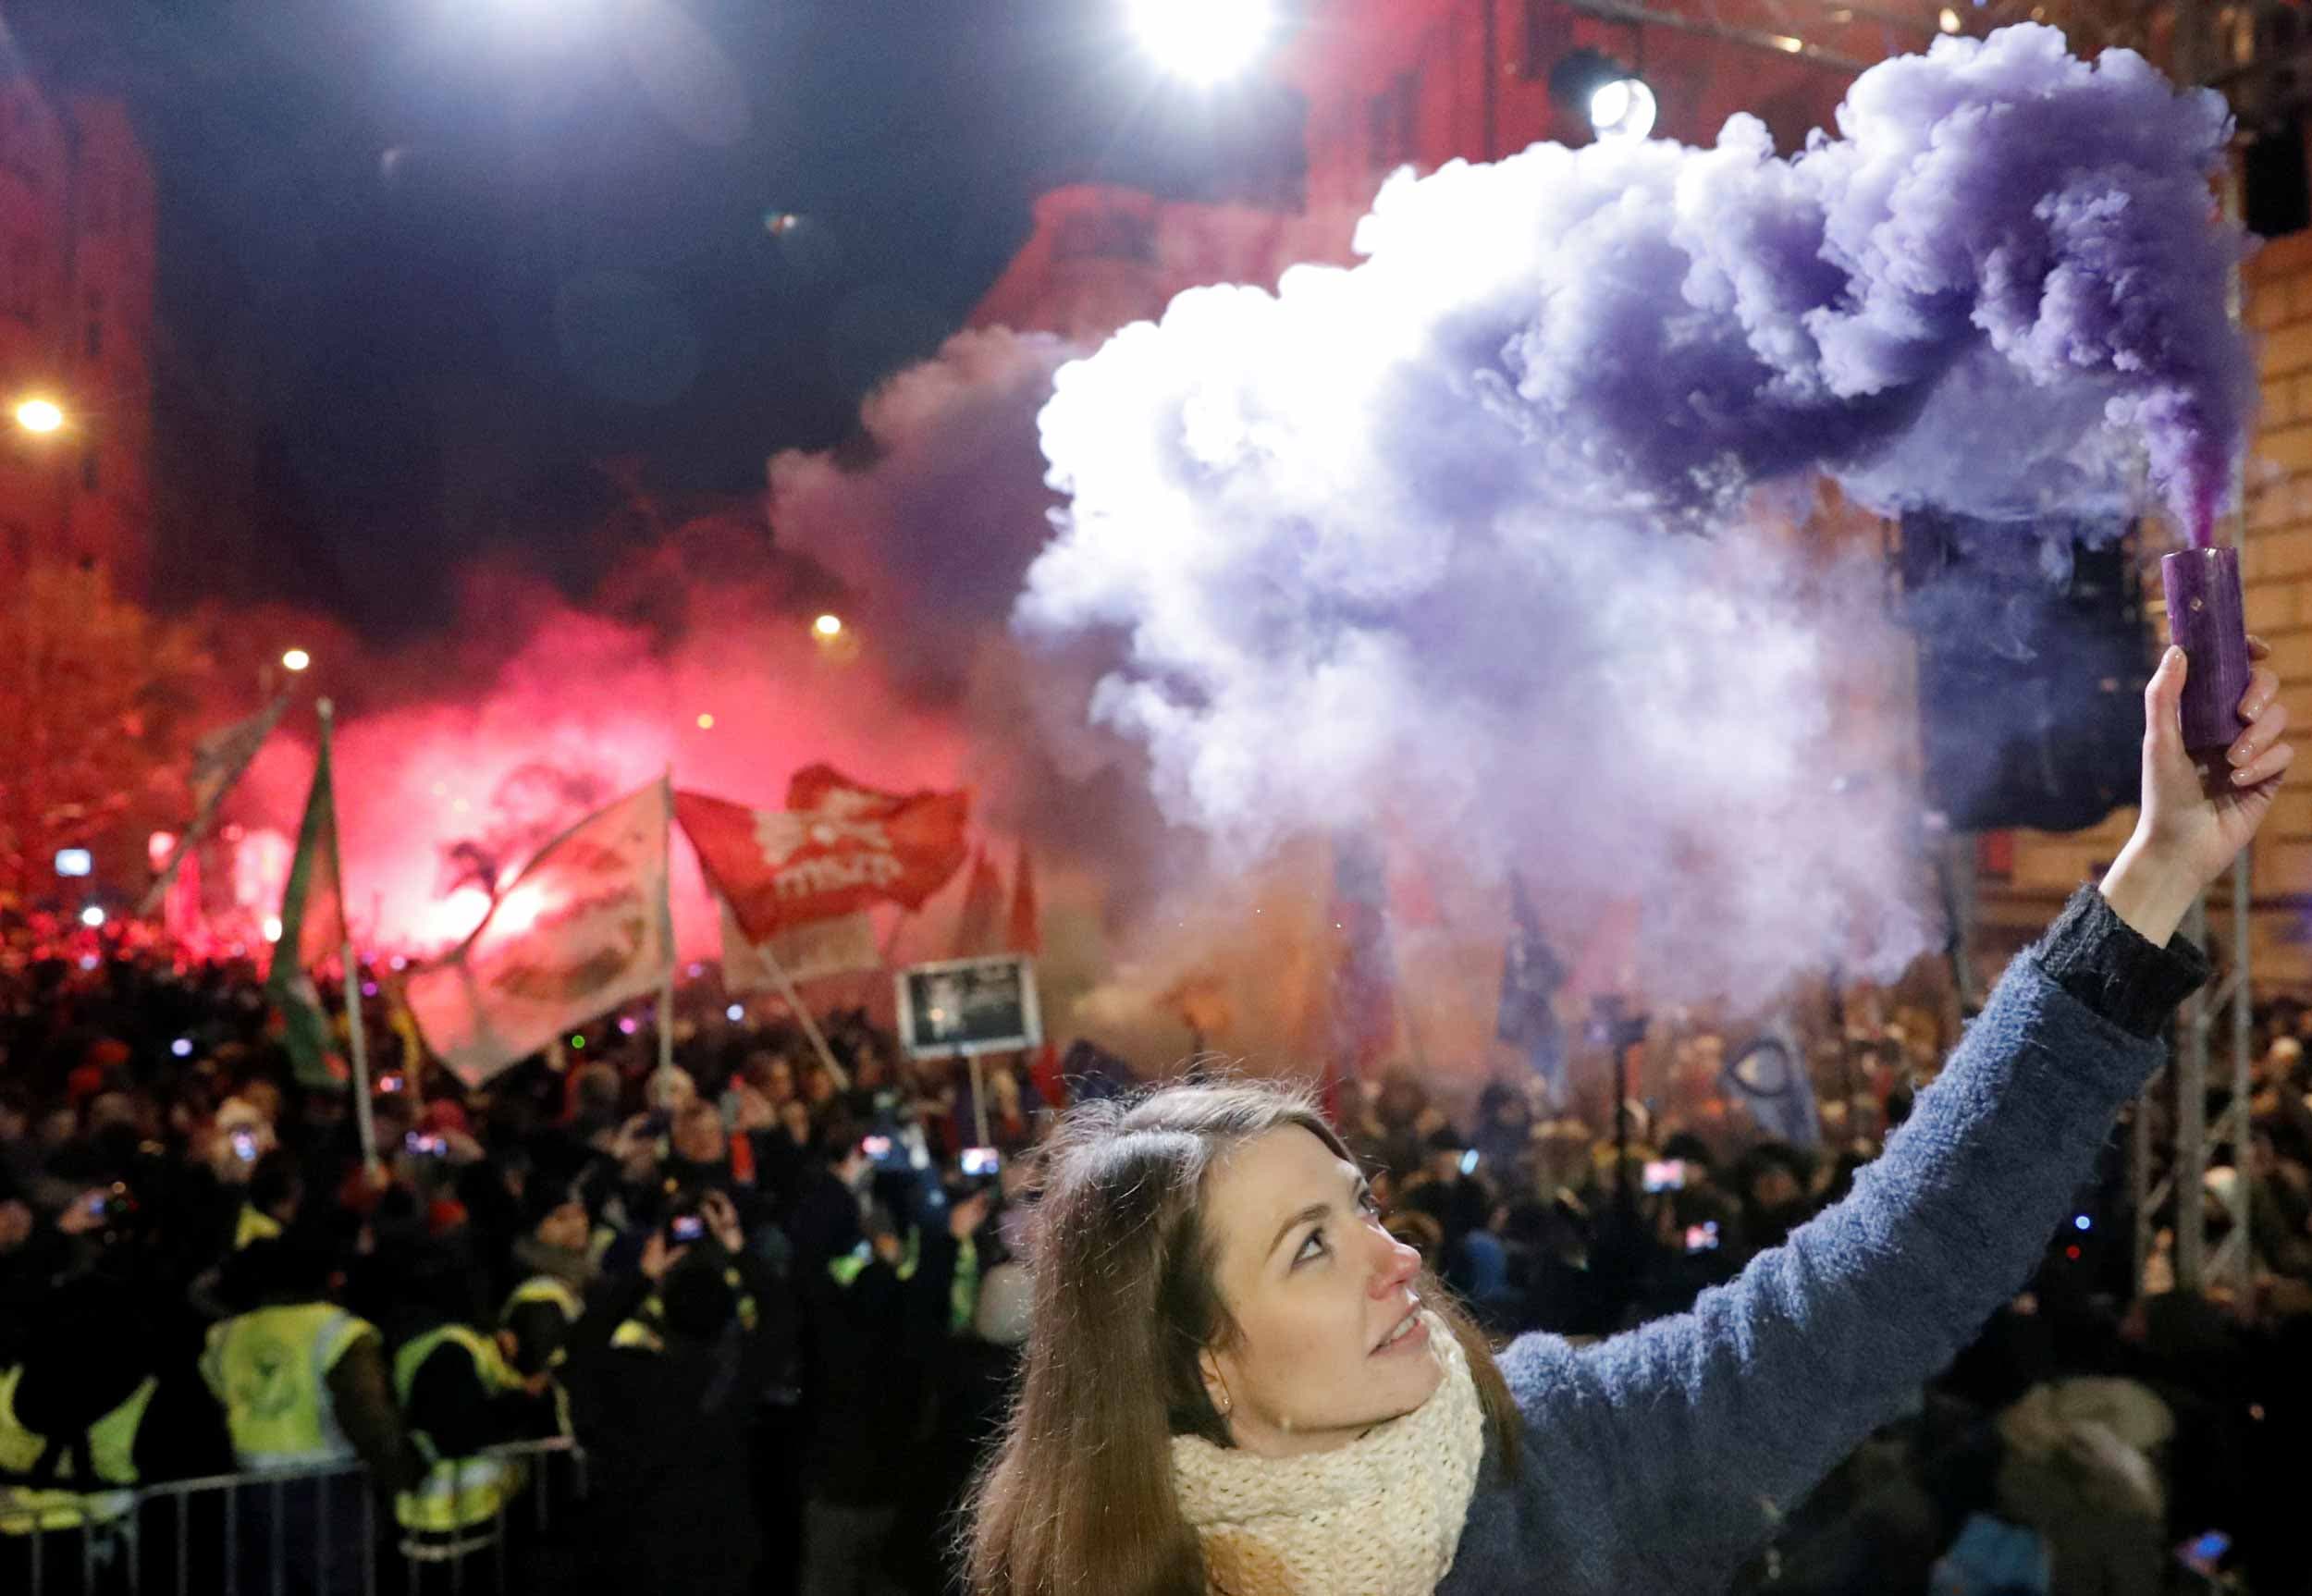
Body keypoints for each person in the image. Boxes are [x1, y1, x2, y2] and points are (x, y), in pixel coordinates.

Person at [963, 640, 2294, 1595]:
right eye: (1309, 1246)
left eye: (1359, 1206)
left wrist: (2161, 866)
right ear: (1204, 1364)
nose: (1398, 1255)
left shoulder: (1561, 1451)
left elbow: (1888, 1267)